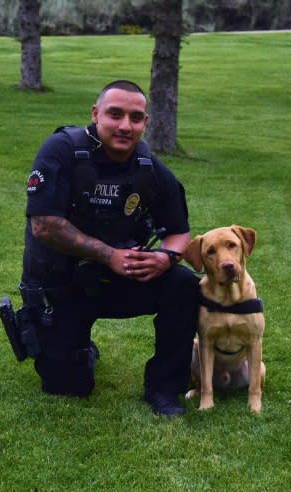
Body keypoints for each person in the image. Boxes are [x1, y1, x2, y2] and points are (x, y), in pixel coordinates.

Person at [12, 80, 198, 416]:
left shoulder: (149, 166)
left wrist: (165, 257)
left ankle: (165, 389)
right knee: (68, 386)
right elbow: (44, 224)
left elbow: (179, 231)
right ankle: (79, 349)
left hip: (121, 278)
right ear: (96, 114)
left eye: (136, 117)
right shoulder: (61, 151)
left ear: (146, 123)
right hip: (61, 285)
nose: (126, 125)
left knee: (183, 284)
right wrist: (108, 255)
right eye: (115, 114)